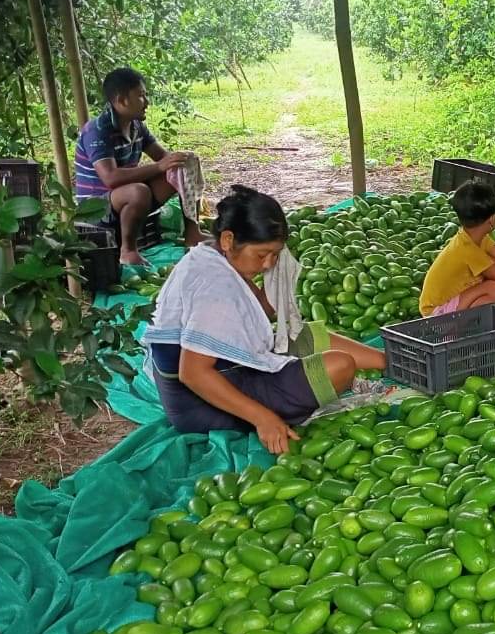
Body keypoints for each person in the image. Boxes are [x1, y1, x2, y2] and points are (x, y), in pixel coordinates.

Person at [144, 185, 386, 454]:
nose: (269, 263)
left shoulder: (211, 255)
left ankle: (390, 362)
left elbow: (259, 312)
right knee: (338, 366)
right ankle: (271, 410)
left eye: (275, 254)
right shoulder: (215, 287)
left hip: (228, 369)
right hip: (200, 405)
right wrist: (263, 418)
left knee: (298, 334)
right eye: (261, 255)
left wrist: (276, 278)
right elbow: (193, 374)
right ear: (228, 240)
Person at [75, 67, 203, 265]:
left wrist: (179, 163)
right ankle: (128, 251)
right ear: (121, 100)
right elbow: (111, 178)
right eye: (141, 96)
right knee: (138, 191)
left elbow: (164, 159)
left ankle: (192, 233)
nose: (147, 102)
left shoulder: (137, 126)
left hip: (125, 198)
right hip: (95, 208)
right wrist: (160, 167)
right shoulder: (97, 130)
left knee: (185, 165)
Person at [419, 182, 495, 317]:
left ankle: (466, 322)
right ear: (491, 219)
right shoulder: (468, 250)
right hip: (435, 313)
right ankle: (462, 327)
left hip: (446, 303)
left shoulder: (473, 238)